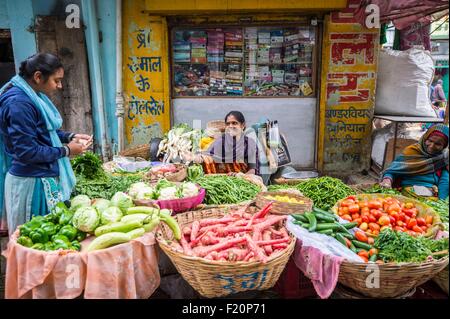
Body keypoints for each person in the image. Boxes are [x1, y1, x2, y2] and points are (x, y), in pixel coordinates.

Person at [0, 53, 92, 235]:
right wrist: (67, 150)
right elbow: (27, 151)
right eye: (56, 81)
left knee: (46, 240)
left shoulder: (31, 95)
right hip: (30, 183)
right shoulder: (19, 103)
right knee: (35, 240)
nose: (60, 86)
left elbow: (41, 132)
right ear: (38, 76)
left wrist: (69, 136)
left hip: (38, 177)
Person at [380, 124, 449, 200]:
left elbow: (445, 181)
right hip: (408, 191)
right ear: (425, 138)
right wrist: (387, 180)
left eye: (438, 144)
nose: (432, 146)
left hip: (432, 193)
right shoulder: (411, 152)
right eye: (430, 141)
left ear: (444, 146)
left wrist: (441, 201)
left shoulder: (444, 159)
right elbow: (392, 171)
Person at [187, 111, 260, 176]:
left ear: (242, 125)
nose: (230, 126)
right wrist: (195, 158)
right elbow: (208, 157)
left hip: (243, 180)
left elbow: (252, 170)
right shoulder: (221, 141)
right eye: (228, 124)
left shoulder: (249, 143)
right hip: (223, 179)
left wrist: (242, 177)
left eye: (234, 123)